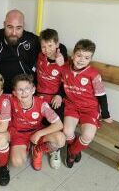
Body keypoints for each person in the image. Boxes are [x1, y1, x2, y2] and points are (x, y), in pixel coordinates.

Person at [0, 9, 68, 93]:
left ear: (23, 26)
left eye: (18, 28)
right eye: (10, 27)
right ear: (4, 24)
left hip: (24, 92)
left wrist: (61, 55)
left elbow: (60, 46)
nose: (14, 33)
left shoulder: (31, 39)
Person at [0, 74, 65, 173]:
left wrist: (38, 134)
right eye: (20, 90)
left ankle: (38, 150)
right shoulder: (10, 98)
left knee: (61, 139)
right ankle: (25, 148)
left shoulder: (41, 104)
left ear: (33, 90)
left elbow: (59, 125)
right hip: (18, 134)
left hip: (36, 131)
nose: (24, 92)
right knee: (17, 162)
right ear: (14, 92)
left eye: (27, 89)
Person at [61, 39, 113, 168]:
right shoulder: (65, 68)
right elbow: (60, 86)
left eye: (86, 57)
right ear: (73, 55)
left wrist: (105, 114)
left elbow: (102, 96)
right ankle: (74, 147)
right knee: (67, 132)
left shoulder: (93, 74)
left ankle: (72, 151)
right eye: (79, 55)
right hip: (71, 106)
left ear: (90, 59)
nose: (81, 60)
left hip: (89, 109)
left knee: (88, 135)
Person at [35, 28, 66, 169]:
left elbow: (69, 83)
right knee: (34, 120)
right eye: (43, 46)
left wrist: (60, 94)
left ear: (57, 45)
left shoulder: (63, 63)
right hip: (39, 95)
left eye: (50, 46)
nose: (46, 49)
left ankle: (54, 150)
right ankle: (36, 145)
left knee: (57, 124)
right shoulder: (40, 56)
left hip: (55, 97)